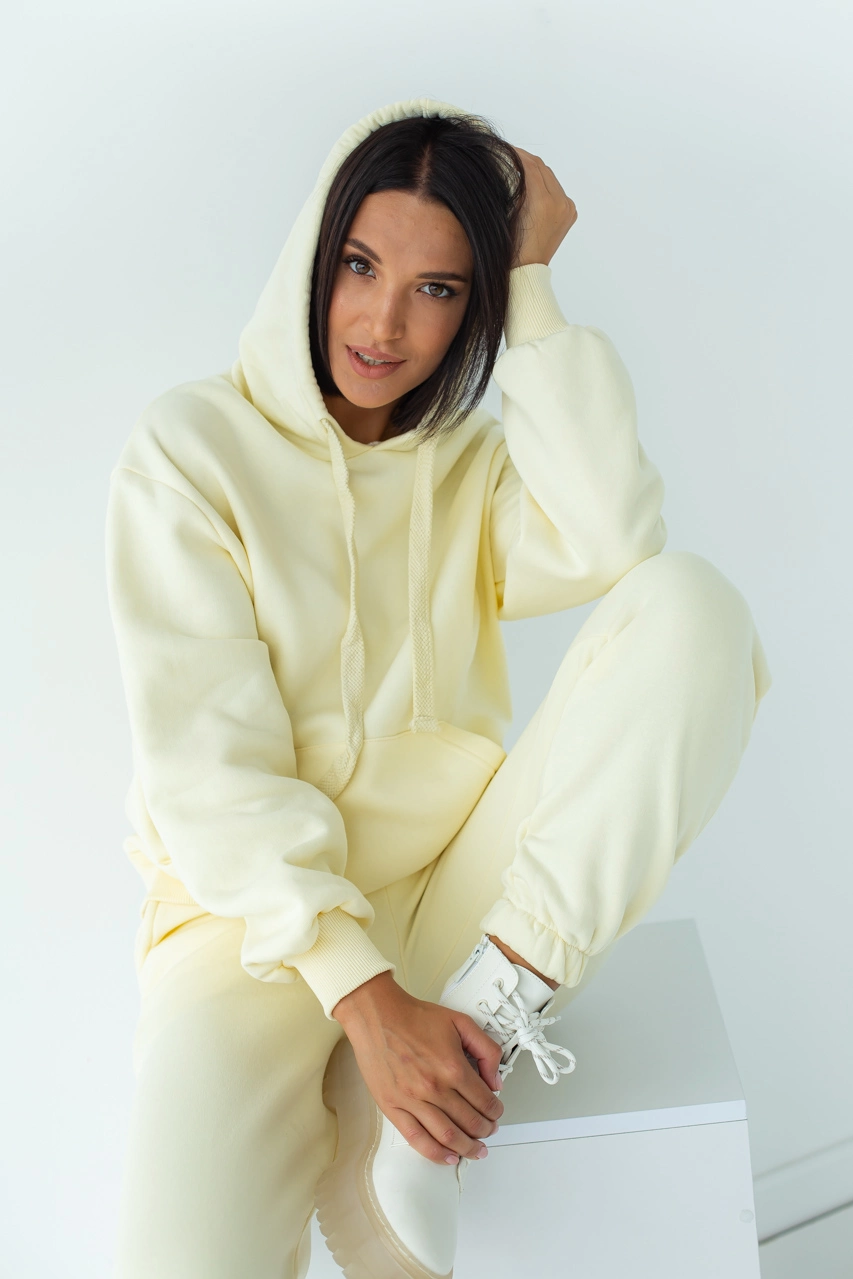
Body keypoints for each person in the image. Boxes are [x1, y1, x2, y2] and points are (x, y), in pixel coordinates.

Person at [106, 96, 772, 1279]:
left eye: (439, 288)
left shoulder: (468, 470)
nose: (383, 322)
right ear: (312, 256)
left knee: (692, 607)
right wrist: (365, 1003)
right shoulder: (189, 452)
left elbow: (616, 538)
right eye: (360, 266)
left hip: (454, 906)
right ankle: (377, 1068)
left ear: (476, 308)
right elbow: (209, 769)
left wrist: (533, 280)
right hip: (248, 933)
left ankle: (484, 1022)